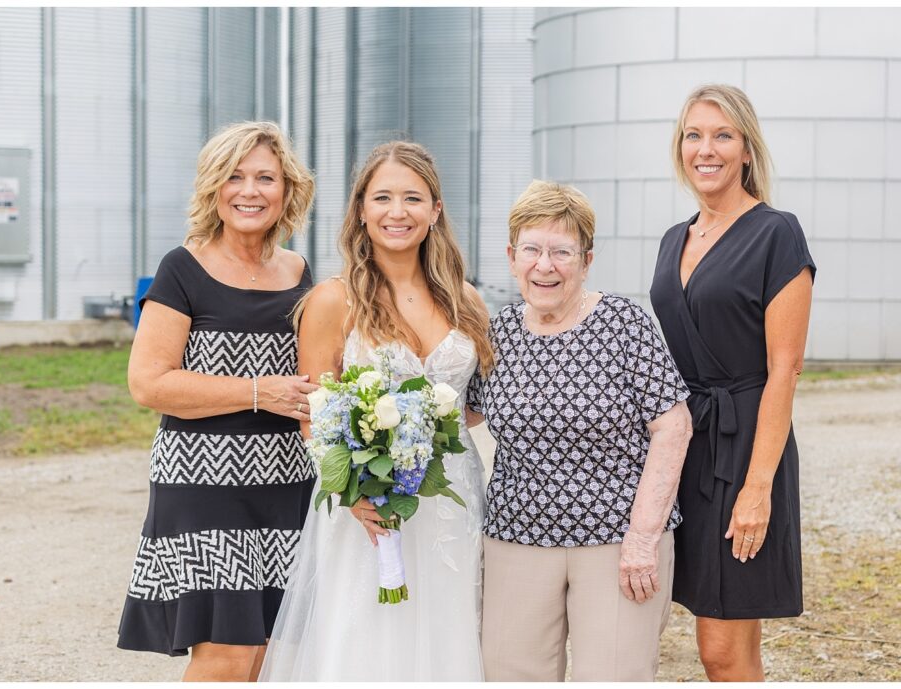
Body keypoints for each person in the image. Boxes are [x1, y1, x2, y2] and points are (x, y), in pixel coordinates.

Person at [258, 141, 494, 681]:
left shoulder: (466, 300)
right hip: (366, 509)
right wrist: (353, 492)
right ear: (361, 210)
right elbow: (313, 414)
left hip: (452, 500)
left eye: (413, 198)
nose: (397, 211)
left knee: (449, 637)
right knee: (366, 643)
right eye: (382, 197)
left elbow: (475, 406)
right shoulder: (332, 301)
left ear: (435, 211)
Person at [116, 121, 320, 682]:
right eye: (234, 176)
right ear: (213, 188)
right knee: (226, 654)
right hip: (204, 487)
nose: (249, 191)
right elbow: (149, 383)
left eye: (265, 178)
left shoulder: (301, 274)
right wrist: (259, 390)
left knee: (264, 654)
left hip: (286, 486)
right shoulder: (182, 268)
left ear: (287, 191)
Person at [466, 180, 693, 681]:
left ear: (586, 261)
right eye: (532, 249)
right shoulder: (497, 333)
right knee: (508, 674)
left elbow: (673, 426)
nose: (544, 265)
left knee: (613, 675)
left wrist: (643, 537)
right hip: (516, 536)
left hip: (617, 541)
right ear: (511, 256)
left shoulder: (623, 323)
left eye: (561, 252)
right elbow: (463, 415)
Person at [649, 84, 815, 681]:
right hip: (685, 444)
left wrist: (758, 488)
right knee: (729, 641)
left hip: (744, 446)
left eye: (722, 135)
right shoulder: (675, 238)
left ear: (747, 149)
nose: (706, 148)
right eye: (693, 135)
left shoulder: (777, 233)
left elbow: (785, 370)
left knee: (721, 645)